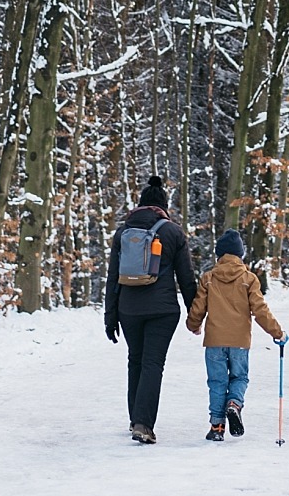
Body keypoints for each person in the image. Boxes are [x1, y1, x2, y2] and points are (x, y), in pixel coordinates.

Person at [104, 176, 197, 444]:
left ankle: (136, 418)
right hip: (162, 310)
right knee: (153, 363)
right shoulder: (172, 232)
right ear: (163, 207)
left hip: (128, 309)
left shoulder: (123, 233)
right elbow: (186, 278)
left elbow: (113, 278)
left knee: (135, 360)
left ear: (141, 206)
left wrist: (110, 317)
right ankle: (143, 425)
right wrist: (195, 314)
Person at [185, 228, 286, 441]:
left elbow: (198, 307)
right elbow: (260, 310)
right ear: (240, 255)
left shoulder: (209, 278)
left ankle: (217, 428)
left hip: (214, 342)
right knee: (239, 377)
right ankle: (234, 403)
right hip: (240, 342)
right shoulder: (248, 279)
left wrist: (194, 325)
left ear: (219, 255)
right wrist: (277, 333)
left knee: (216, 382)